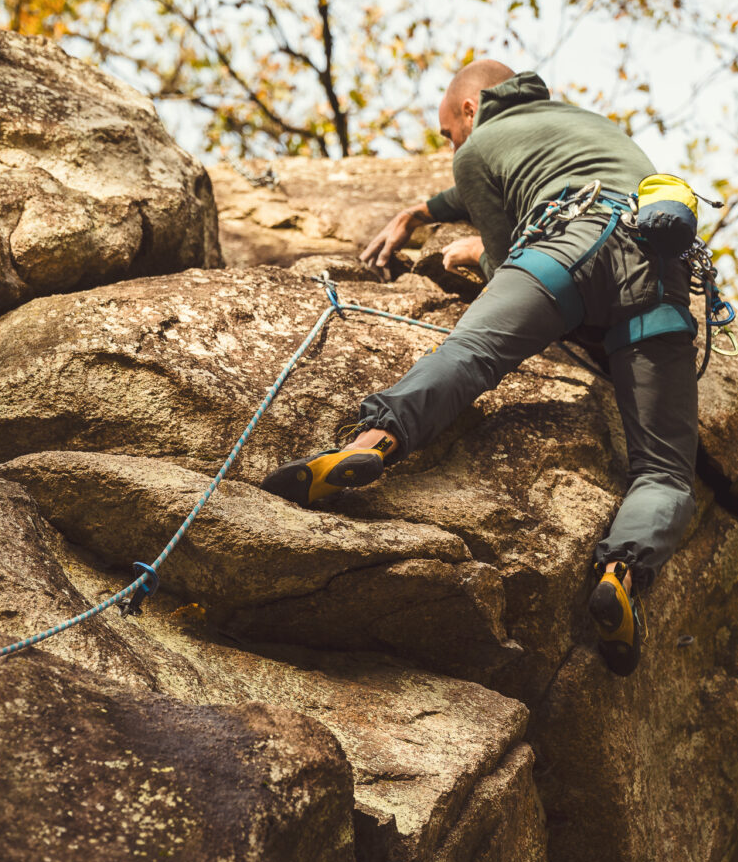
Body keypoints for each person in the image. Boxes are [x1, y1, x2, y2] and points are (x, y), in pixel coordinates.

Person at [263, 60, 699, 675]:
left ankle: (370, 444)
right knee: (666, 470)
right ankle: (622, 573)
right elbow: (487, 182)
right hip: (657, 276)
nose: (451, 147)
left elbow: (501, 252)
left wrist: (472, 251)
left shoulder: (478, 147)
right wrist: (422, 209)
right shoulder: (589, 124)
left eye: (447, 134)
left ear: (471, 110)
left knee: (472, 353)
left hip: (565, 250)